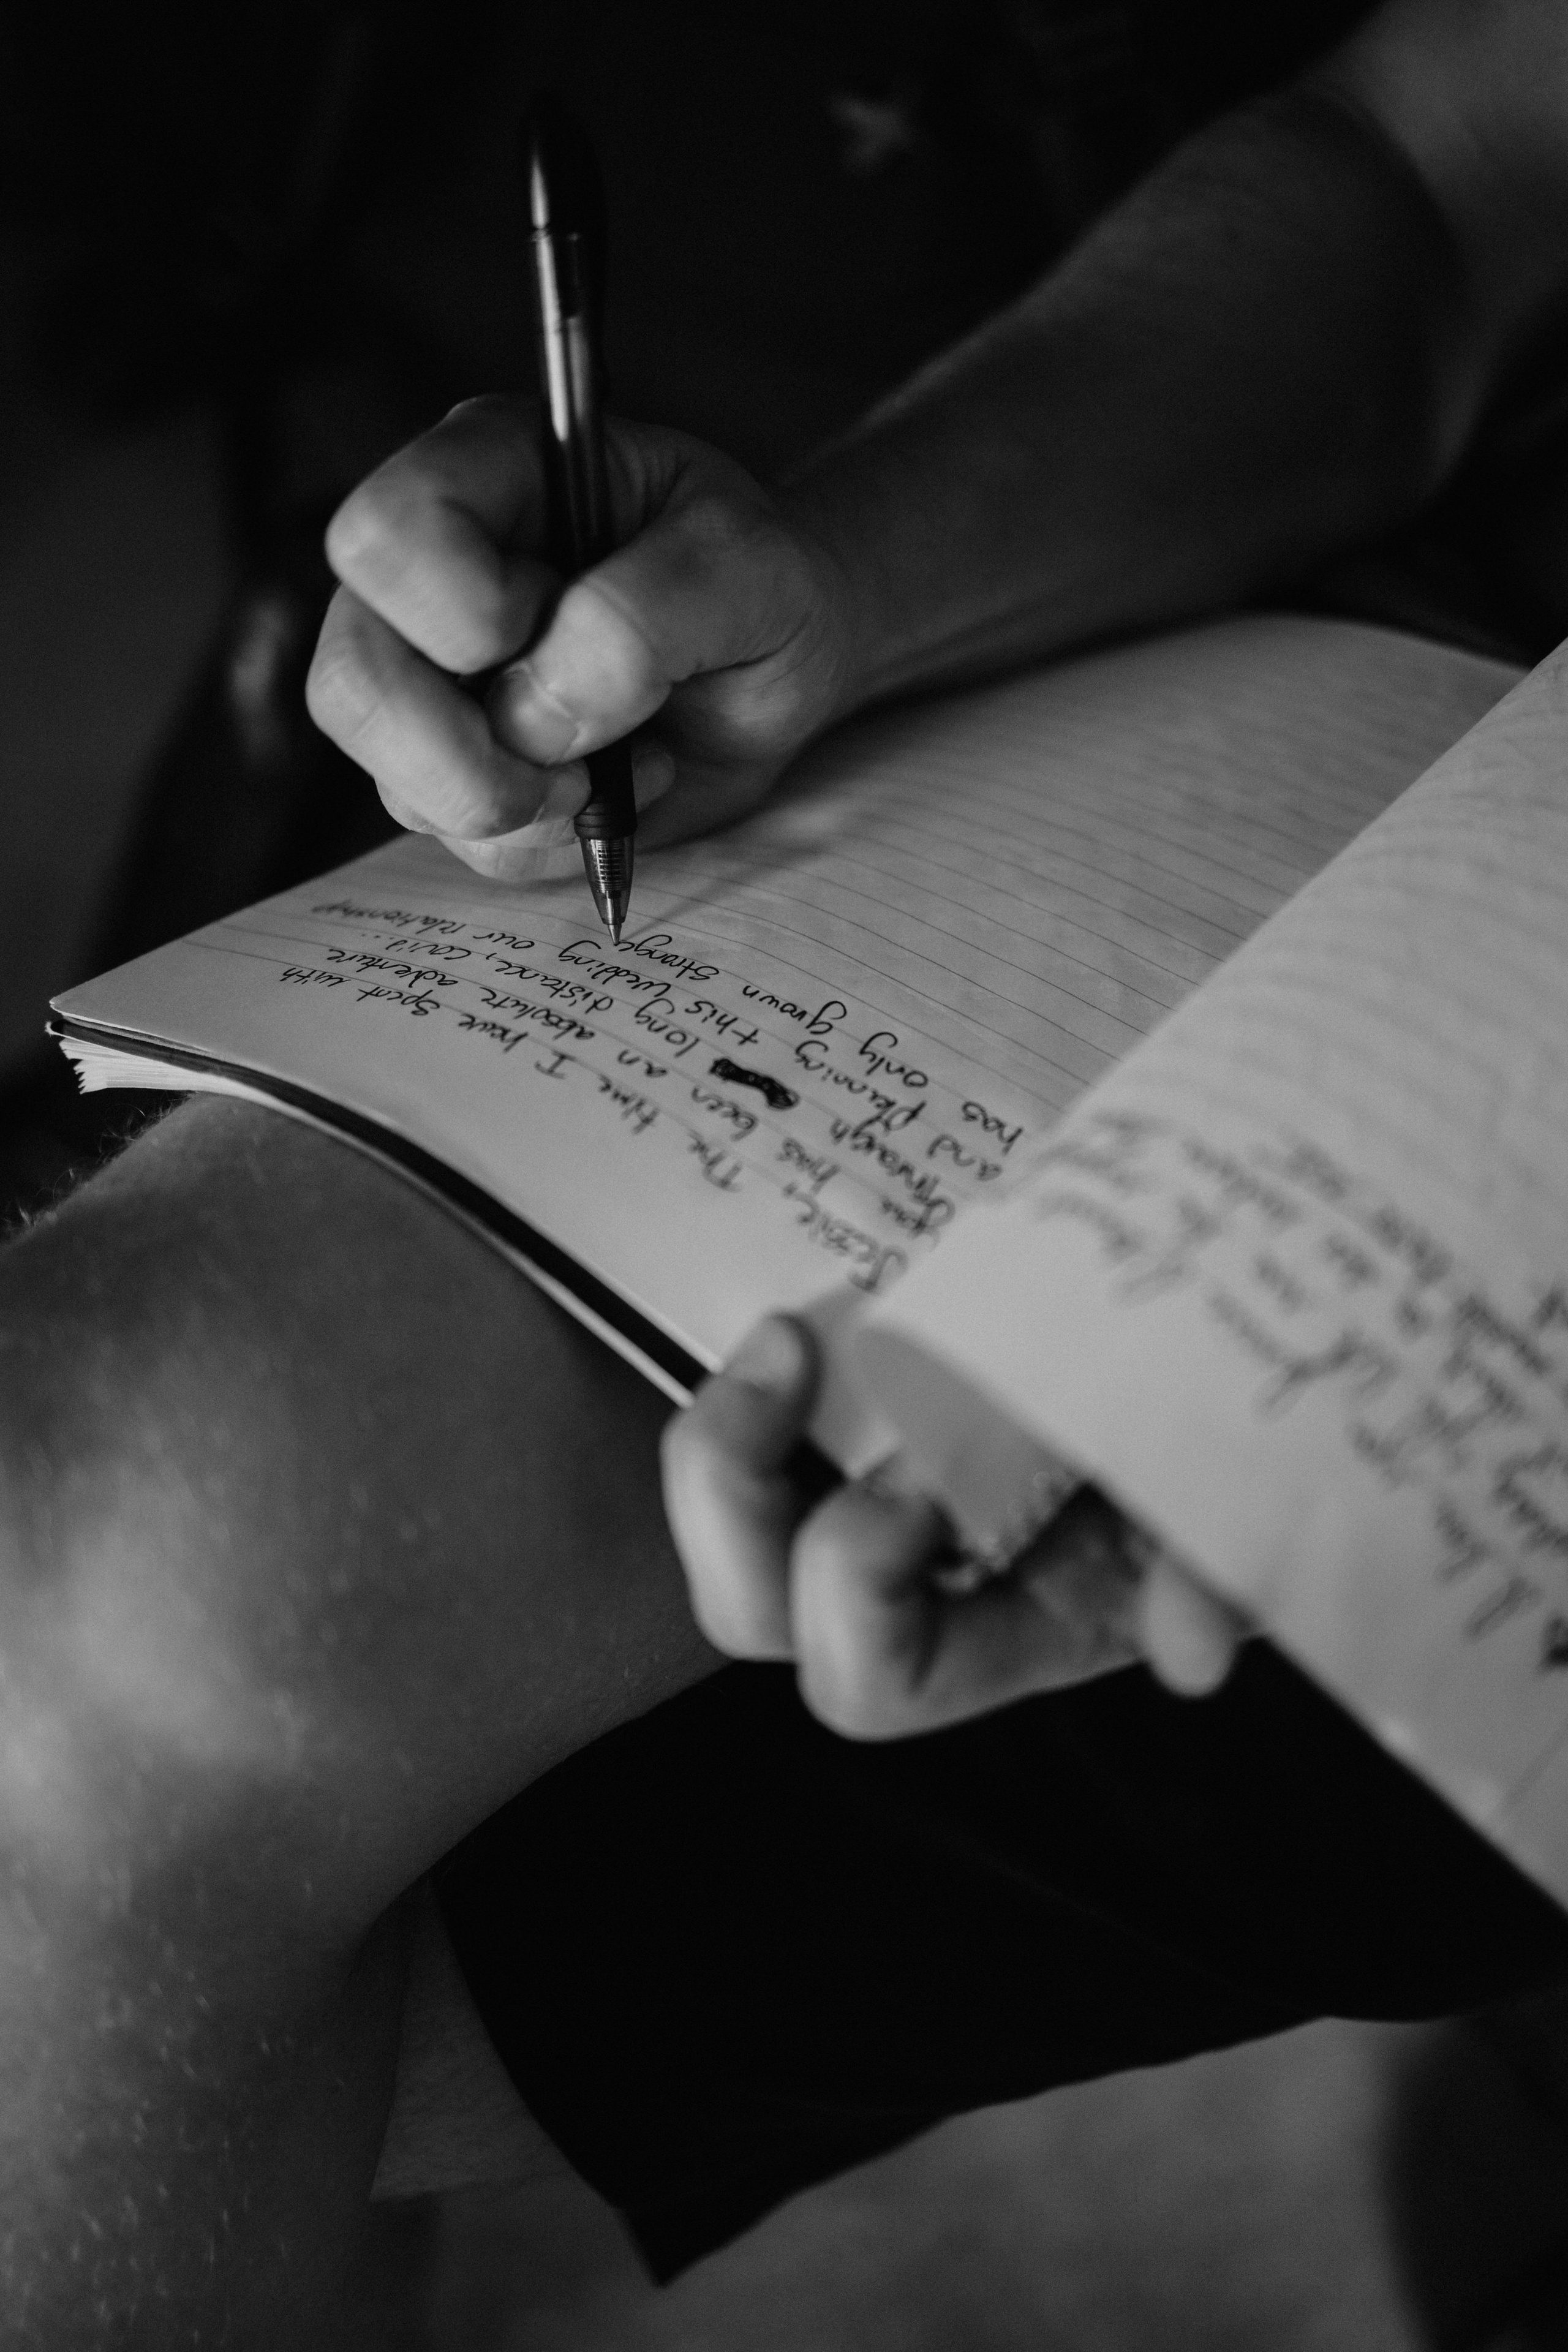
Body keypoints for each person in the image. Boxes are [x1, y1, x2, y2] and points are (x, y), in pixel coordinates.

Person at [7, 0, 1568, 2339]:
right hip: (1451, 709)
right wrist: (825, 578)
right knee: (99, 1542)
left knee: (211, 1902)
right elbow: (1440, 185)